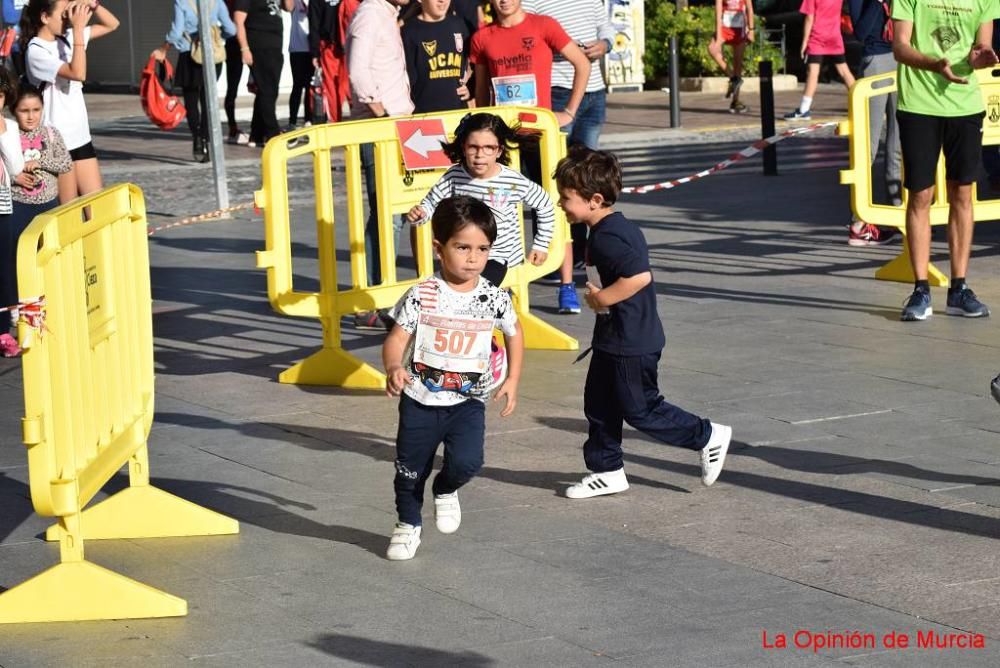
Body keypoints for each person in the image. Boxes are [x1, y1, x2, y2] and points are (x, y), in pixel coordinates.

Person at [553, 146, 732, 498]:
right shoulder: (607, 228)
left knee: (641, 409)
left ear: (595, 199)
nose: (561, 203)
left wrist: (602, 298)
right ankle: (607, 470)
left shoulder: (608, 237)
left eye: (566, 197)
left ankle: (707, 435)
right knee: (599, 402)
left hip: (630, 341)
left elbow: (639, 277)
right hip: (613, 337)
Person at [382, 195, 523, 560]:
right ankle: (407, 524)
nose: (474, 258)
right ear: (438, 248)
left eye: (482, 249)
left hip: (467, 402)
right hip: (419, 400)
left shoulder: (494, 297)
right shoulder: (422, 295)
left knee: (467, 462)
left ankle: (445, 489)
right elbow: (396, 338)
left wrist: (513, 379)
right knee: (410, 469)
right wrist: (394, 367)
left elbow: (514, 332)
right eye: (462, 247)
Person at [470, 0, 590, 315]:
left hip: (540, 135)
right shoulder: (483, 37)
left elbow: (582, 63)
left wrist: (569, 112)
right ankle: (504, 285)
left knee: (554, 205)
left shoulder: (543, 25)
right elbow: (483, 94)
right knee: (498, 208)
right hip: (505, 139)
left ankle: (567, 287)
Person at [893, 0, 999, 321]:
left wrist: (981, 58)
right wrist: (934, 64)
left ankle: (959, 288)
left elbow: (982, 48)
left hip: (965, 106)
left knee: (963, 194)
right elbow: (899, 46)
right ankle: (921, 288)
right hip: (918, 105)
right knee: (921, 195)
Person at [524, 0, 615, 305]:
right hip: (556, 91)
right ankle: (552, 251)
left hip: (593, 90)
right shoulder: (529, 3)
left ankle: (586, 251)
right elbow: (527, 40)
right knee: (551, 177)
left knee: (589, 177)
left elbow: (606, 26)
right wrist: (564, 49)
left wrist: (605, 43)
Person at [406, 112, 554, 286]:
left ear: (499, 151)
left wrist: (541, 244)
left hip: (499, 257)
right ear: (463, 147)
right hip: (463, 253)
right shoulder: (454, 176)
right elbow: (431, 203)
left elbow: (545, 204)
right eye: (473, 147)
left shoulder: (512, 181)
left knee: (476, 293)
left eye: (488, 148)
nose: (479, 155)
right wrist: (420, 214)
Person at [347, 0, 413, 330]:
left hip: (397, 124)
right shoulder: (371, 12)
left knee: (394, 214)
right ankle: (374, 299)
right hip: (382, 128)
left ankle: (378, 295)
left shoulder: (388, 14)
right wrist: (379, 111)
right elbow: (358, 69)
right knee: (388, 214)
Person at [21, 0, 119, 201]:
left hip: (80, 135)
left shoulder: (68, 37)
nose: (68, 18)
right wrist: (79, 30)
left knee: (96, 205)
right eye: (63, 14)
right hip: (56, 140)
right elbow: (78, 72)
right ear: (45, 17)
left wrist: (92, 4)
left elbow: (112, 24)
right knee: (69, 211)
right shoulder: (36, 50)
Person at [152, 0, 236, 163]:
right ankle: (205, 140)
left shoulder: (182, 2)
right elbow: (231, 29)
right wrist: (217, 37)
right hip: (212, 57)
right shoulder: (216, 1)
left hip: (189, 55)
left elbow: (176, 32)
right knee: (208, 102)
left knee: (191, 101)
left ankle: (197, 138)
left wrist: (163, 48)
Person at [845, 0, 899, 246]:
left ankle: (899, 213)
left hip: (904, 59)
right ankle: (859, 222)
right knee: (868, 143)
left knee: (899, 142)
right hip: (876, 61)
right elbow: (861, 32)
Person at [784, 0, 855, 120]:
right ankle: (861, 101)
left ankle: (804, 109)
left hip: (818, 37)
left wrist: (805, 41)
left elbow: (809, 18)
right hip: (834, 36)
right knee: (844, 70)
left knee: (812, 73)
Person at [401, 0, 472, 114]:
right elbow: (406, 79)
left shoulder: (459, 25)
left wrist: (469, 87)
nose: (442, 1)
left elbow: (472, 64)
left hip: (458, 111)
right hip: (424, 114)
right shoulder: (409, 31)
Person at [234, 0, 286, 148]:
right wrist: (244, 49)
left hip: (275, 45)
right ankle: (273, 134)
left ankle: (256, 134)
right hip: (258, 44)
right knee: (267, 90)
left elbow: (289, 8)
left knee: (269, 91)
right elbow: (238, 21)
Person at [0, 66, 23, 358]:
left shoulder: (11, 127)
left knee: (4, 268)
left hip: (2, 204)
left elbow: (16, 167)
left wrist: (3, 133)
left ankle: (3, 331)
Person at [707, 0, 755, 114]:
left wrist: (752, 30)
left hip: (740, 29)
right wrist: (719, 38)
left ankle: (736, 102)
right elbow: (718, 13)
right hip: (725, 28)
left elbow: (749, 8)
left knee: (737, 64)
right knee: (712, 48)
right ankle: (733, 78)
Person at [222, 0, 249, 144]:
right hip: (236, 42)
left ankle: (259, 126)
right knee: (232, 87)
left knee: (233, 87)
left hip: (242, 40)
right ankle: (233, 127)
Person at [287, 0, 313, 129]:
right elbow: (287, 7)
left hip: (312, 47)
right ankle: (292, 120)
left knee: (310, 86)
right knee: (297, 85)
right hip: (297, 48)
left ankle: (309, 118)